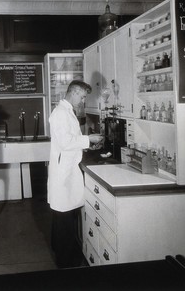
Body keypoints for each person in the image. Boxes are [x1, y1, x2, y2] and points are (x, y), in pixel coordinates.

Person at [47, 80, 104, 268]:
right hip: (63, 174)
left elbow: (70, 140)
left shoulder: (67, 111)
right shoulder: (60, 113)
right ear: (73, 92)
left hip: (67, 170)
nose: (83, 100)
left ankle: (63, 252)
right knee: (63, 218)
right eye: (82, 96)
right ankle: (65, 263)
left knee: (64, 216)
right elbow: (65, 142)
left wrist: (85, 144)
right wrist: (89, 139)